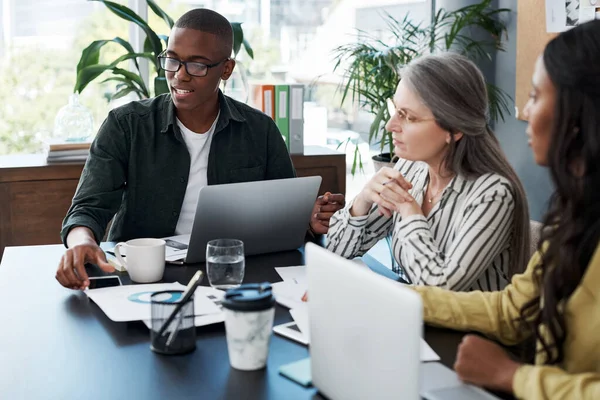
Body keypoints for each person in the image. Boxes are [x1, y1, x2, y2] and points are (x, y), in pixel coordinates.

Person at [55, 8, 344, 290]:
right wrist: (82, 243)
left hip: (235, 273)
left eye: (197, 65)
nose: (180, 75)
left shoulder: (260, 130)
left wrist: (311, 219)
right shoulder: (126, 125)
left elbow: (286, 215)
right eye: (172, 60)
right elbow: (87, 208)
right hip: (143, 276)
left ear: (226, 69)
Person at [412, 20, 600, 398]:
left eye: (535, 95)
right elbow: (513, 312)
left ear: (577, 116)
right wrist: (394, 297)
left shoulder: (493, 190)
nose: (526, 111)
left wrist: (512, 376)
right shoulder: (576, 215)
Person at [327, 52, 529, 291]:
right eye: (395, 110)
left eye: (407, 117)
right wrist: (362, 200)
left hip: (466, 328)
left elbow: (440, 288)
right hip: (418, 319)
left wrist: (410, 213)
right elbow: (336, 250)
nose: (390, 125)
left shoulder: (493, 194)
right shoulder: (412, 168)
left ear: (453, 129)